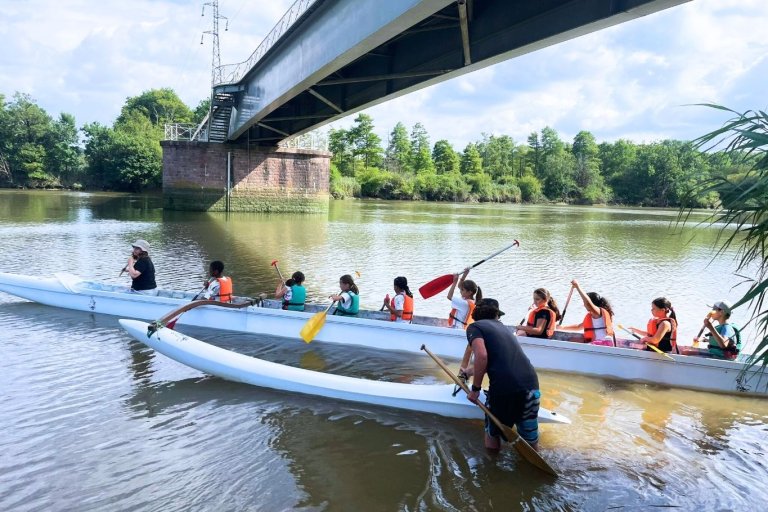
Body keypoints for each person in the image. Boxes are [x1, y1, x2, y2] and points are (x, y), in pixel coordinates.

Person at [459, 298, 541, 451]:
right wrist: (469, 372)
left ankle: (491, 468)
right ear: (496, 316)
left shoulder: (475, 327)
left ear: (476, 313)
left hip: (505, 389)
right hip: (531, 386)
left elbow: (482, 356)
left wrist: (475, 389)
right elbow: (495, 359)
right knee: (530, 438)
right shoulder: (504, 329)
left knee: (492, 433)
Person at [559, 279, 616, 343]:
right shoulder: (593, 315)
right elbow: (579, 327)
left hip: (602, 344)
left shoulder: (598, 312)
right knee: (572, 339)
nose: (584, 305)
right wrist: (563, 328)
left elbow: (588, 304)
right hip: (596, 343)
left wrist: (578, 287)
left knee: (572, 341)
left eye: (584, 302)